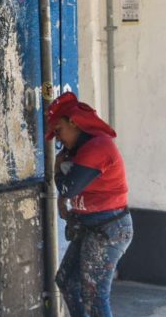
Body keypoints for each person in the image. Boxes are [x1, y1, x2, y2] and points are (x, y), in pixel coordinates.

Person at [47, 92, 133, 317]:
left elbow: (68, 187)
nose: (58, 139)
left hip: (108, 228)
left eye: (59, 130)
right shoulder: (78, 150)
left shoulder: (98, 147)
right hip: (91, 226)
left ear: (74, 122)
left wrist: (57, 169)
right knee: (66, 281)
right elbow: (69, 189)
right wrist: (62, 200)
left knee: (94, 296)